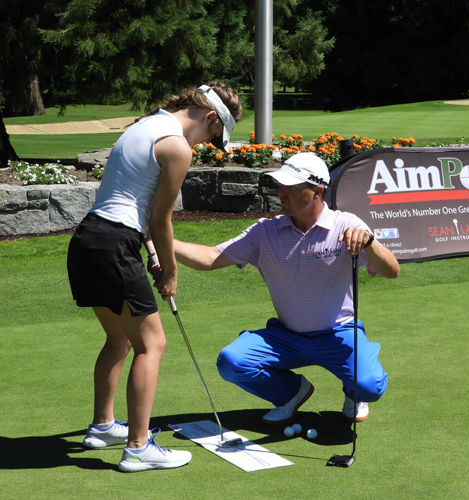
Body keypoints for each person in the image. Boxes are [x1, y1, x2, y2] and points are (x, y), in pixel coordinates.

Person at [67, 81, 242, 472]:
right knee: (152, 344)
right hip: (114, 244)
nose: (204, 144)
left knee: (118, 338)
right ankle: (138, 447)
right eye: (213, 136)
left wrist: (149, 255)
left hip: (89, 240)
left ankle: (102, 426)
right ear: (211, 117)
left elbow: (138, 208)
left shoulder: (144, 126)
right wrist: (172, 273)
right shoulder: (177, 147)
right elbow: (162, 221)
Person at [173, 152, 400, 427]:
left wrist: (370, 243)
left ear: (317, 191)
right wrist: (163, 240)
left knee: (370, 385)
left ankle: (355, 393)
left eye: (290, 187)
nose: (281, 193)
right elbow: (210, 258)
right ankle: (292, 392)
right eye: (280, 186)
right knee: (231, 361)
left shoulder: (346, 225)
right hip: (286, 337)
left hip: (338, 335)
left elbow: (391, 271)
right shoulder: (265, 231)